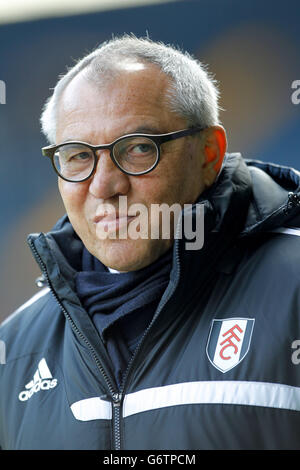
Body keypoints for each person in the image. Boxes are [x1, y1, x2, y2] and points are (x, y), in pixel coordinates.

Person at [1, 35, 300, 451]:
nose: (104, 185)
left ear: (208, 154)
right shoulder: (16, 350)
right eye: (78, 156)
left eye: (139, 148)